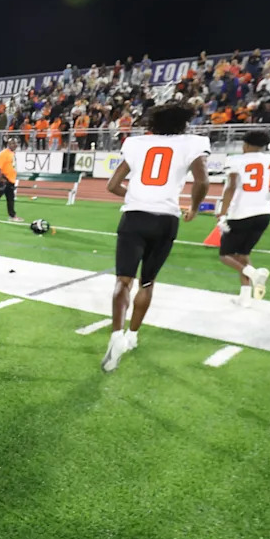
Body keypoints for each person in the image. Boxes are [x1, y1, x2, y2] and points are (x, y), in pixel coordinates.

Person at [102, 104, 210, 372]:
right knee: (147, 282)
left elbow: (112, 185)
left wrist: (135, 196)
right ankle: (132, 336)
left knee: (122, 281)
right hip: (165, 219)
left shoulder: (136, 143)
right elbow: (203, 182)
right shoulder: (191, 143)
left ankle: (116, 334)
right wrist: (195, 208)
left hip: (134, 217)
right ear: (183, 124)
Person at [217, 130, 270, 305]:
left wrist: (222, 212)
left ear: (247, 144)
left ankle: (254, 273)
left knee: (225, 255)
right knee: (243, 254)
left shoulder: (236, 160)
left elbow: (231, 186)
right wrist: (269, 193)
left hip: (241, 213)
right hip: (264, 212)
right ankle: (245, 297)